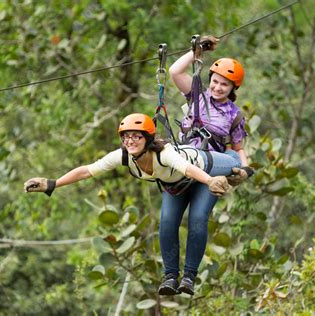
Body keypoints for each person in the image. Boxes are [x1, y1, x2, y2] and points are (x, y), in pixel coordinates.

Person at [24, 113, 242, 296]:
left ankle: (189, 277)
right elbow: (88, 170)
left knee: (203, 210)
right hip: (177, 187)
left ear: (147, 139)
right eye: (126, 137)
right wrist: (53, 183)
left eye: (136, 137)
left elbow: (186, 168)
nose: (130, 142)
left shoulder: (164, 153)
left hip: (205, 168)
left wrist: (211, 180)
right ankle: (170, 277)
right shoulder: (123, 156)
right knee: (166, 223)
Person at [169, 35, 254, 186]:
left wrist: (245, 169)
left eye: (224, 84)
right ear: (210, 80)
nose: (218, 87)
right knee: (169, 212)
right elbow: (175, 71)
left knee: (199, 212)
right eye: (215, 81)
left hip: (211, 166)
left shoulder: (234, 114)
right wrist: (198, 50)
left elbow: (237, 149)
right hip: (184, 162)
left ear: (233, 87)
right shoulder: (197, 95)